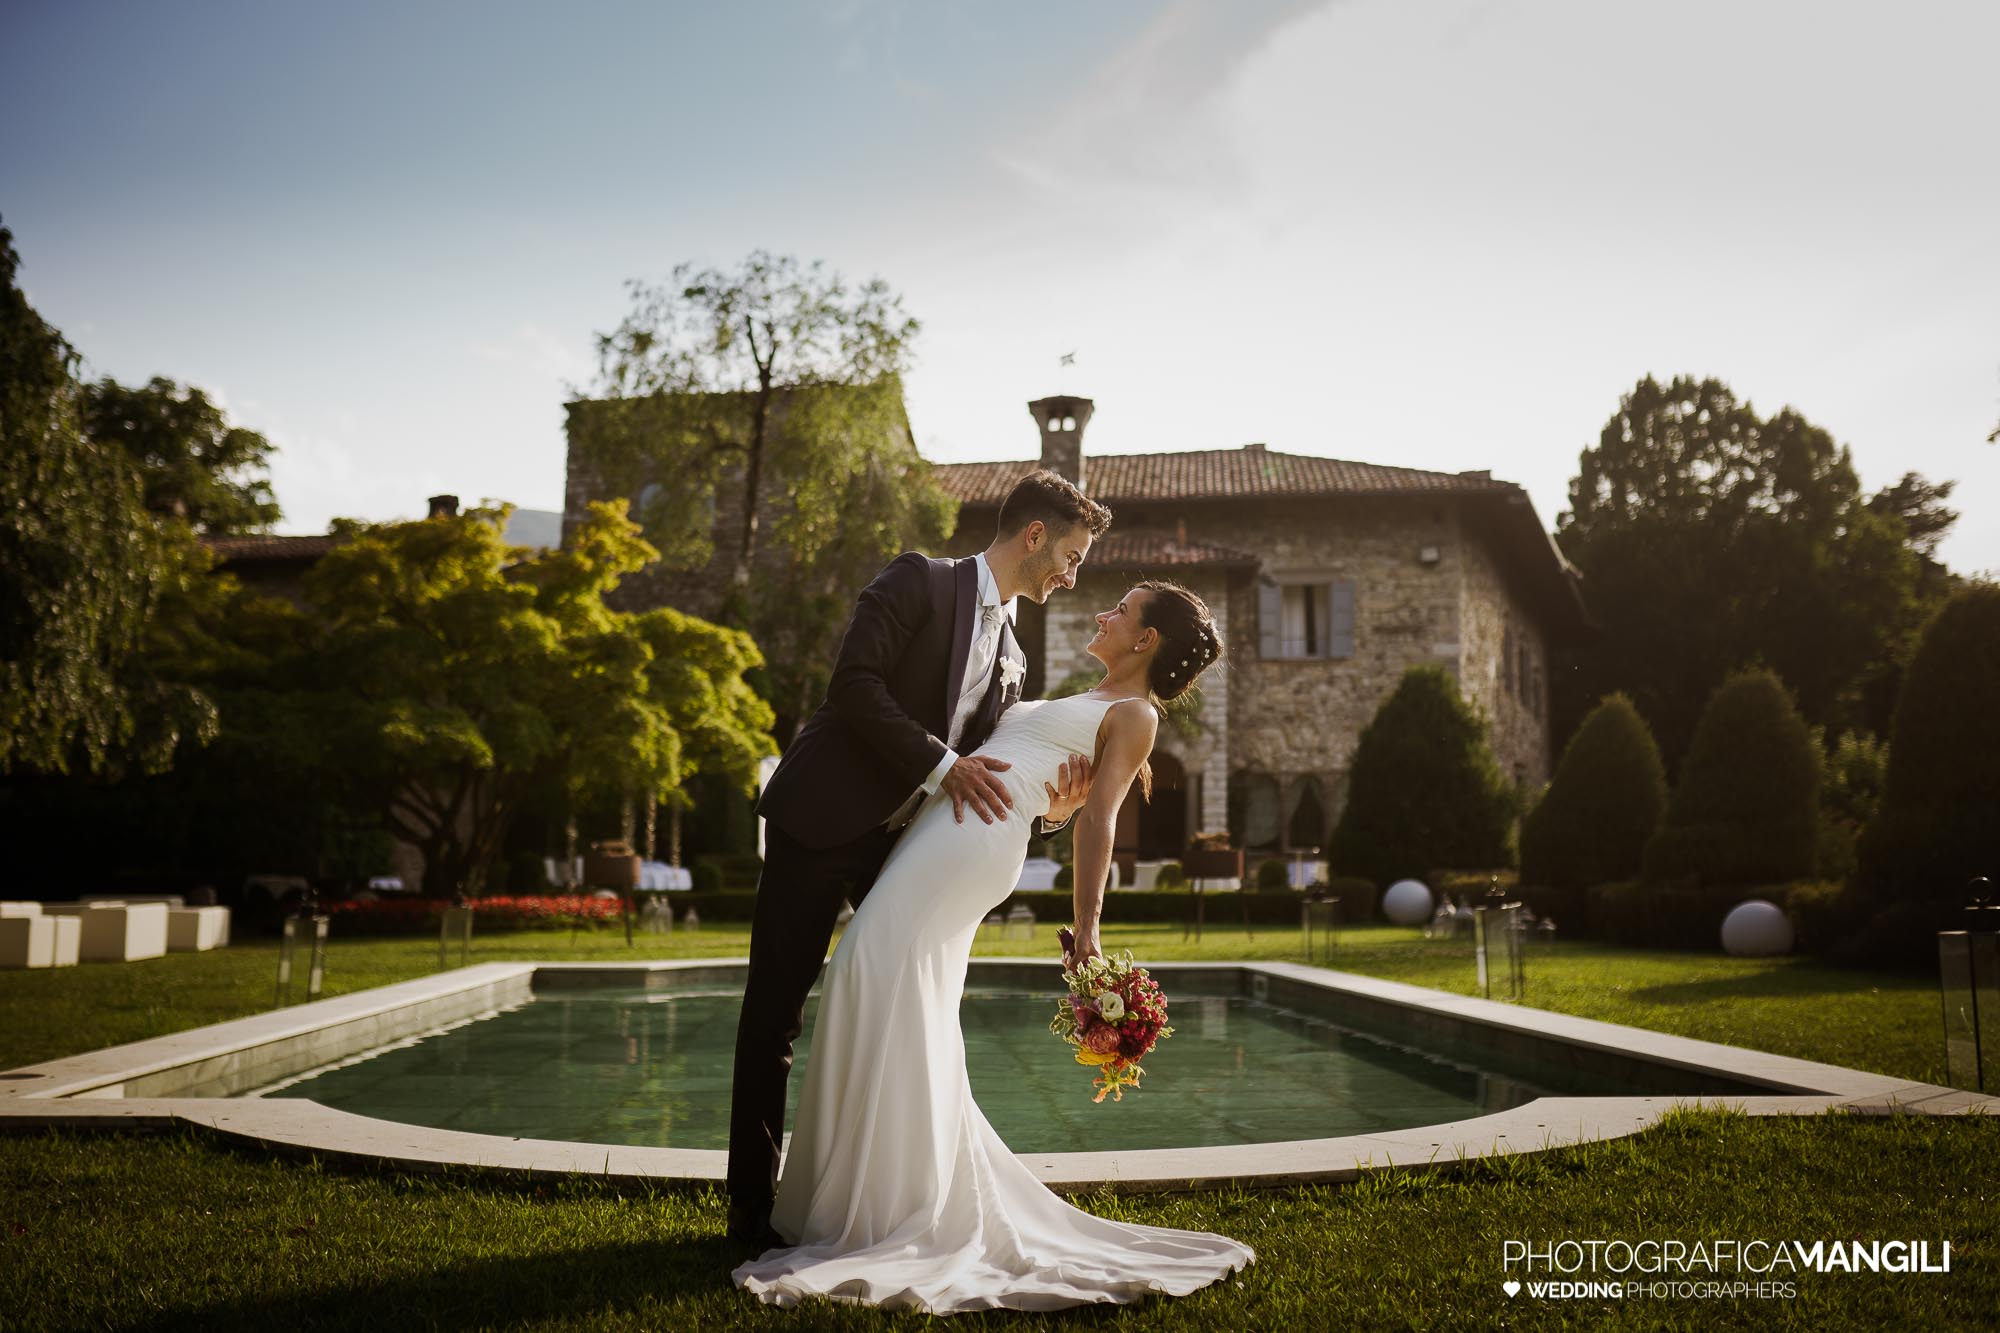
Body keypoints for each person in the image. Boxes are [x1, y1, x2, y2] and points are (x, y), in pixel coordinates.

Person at [732, 580, 1252, 1314]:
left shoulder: (1134, 713)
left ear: (1146, 641)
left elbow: (1099, 819)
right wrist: (1053, 805)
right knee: (887, 987)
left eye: (1122, 609)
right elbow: (1039, 775)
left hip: (974, 844)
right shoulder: (1084, 694)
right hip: (945, 830)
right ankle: (871, 1195)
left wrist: (1091, 927)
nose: (1103, 611)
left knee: (864, 968)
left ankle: (883, 1207)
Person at [728, 470, 1113, 1247]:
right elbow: (854, 687)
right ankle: (750, 1212)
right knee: (775, 1016)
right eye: (1071, 555)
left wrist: (1053, 813)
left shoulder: (1015, 660)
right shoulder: (918, 579)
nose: (1073, 575)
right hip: (817, 823)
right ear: (1034, 537)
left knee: (904, 1012)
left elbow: (990, 775)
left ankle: (873, 1199)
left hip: (903, 852)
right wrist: (943, 765)